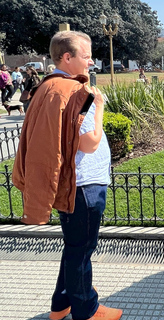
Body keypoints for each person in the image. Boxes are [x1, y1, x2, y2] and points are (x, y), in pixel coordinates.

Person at [12, 30, 122, 320]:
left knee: (74, 245)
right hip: (84, 184)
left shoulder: (47, 87)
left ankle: (61, 304)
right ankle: (87, 309)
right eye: (86, 56)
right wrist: (98, 107)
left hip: (71, 182)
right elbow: (90, 142)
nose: (90, 62)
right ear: (67, 57)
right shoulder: (77, 92)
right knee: (81, 250)